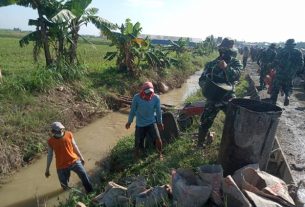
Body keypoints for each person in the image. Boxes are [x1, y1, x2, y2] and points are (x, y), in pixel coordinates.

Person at [197, 38, 242, 148]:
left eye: (227, 50)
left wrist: (227, 68)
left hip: (229, 97)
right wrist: (206, 87)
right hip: (213, 97)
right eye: (222, 50)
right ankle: (200, 143)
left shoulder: (235, 63)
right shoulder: (211, 64)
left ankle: (232, 144)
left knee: (234, 121)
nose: (224, 52)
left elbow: (237, 76)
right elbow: (202, 79)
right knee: (205, 121)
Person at [45, 122, 93, 193]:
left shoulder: (69, 134)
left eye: (62, 129)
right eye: (59, 130)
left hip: (74, 161)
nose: (61, 131)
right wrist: (47, 169)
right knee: (64, 185)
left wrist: (81, 157)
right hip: (61, 166)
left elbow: (74, 146)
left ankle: (91, 193)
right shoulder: (50, 141)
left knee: (84, 175)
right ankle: (69, 199)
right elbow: (50, 155)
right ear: (53, 131)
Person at [125, 81, 164, 160]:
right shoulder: (136, 98)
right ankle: (136, 157)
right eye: (147, 93)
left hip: (151, 122)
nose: (149, 94)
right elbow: (132, 111)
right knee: (138, 143)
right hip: (140, 124)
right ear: (142, 91)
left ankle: (160, 154)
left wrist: (160, 122)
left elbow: (158, 111)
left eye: (150, 93)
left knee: (158, 139)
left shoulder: (156, 98)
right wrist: (129, 122)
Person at [270, 39, 304, 106]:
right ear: (294, 45)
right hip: (290, 74)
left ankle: (273, 103)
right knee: (288, 87)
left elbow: (275, 61)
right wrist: (297, 72)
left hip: (280, 73)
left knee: (275, 88)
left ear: (286, 44)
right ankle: (287, 96)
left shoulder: (281, 51)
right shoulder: (298, 52)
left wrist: (272, 66)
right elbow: (301, 64)